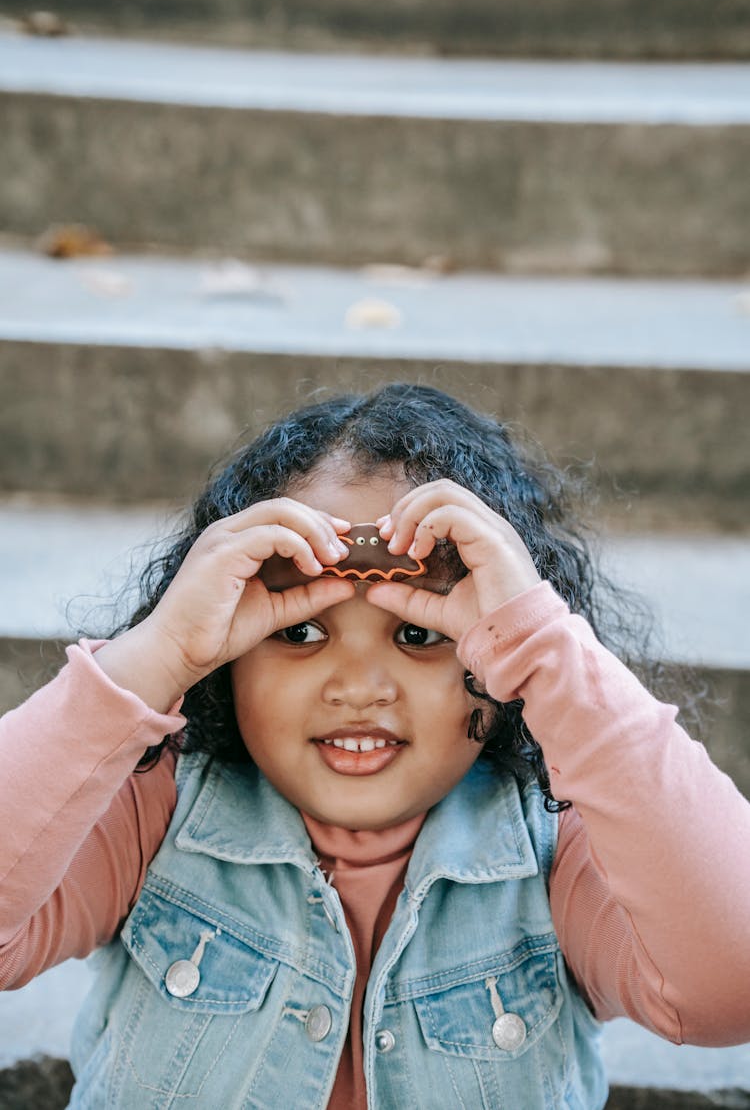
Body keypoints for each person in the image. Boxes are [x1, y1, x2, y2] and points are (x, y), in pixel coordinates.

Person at [1, 383, 749, 1109]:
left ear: (495, 664)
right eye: (300, 631)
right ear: (225, 662)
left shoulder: (561, 844)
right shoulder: (154, 807)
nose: (359, 684)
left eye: (418, 634)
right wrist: (156, 651)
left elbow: (727, 986)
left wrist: (548, 652)